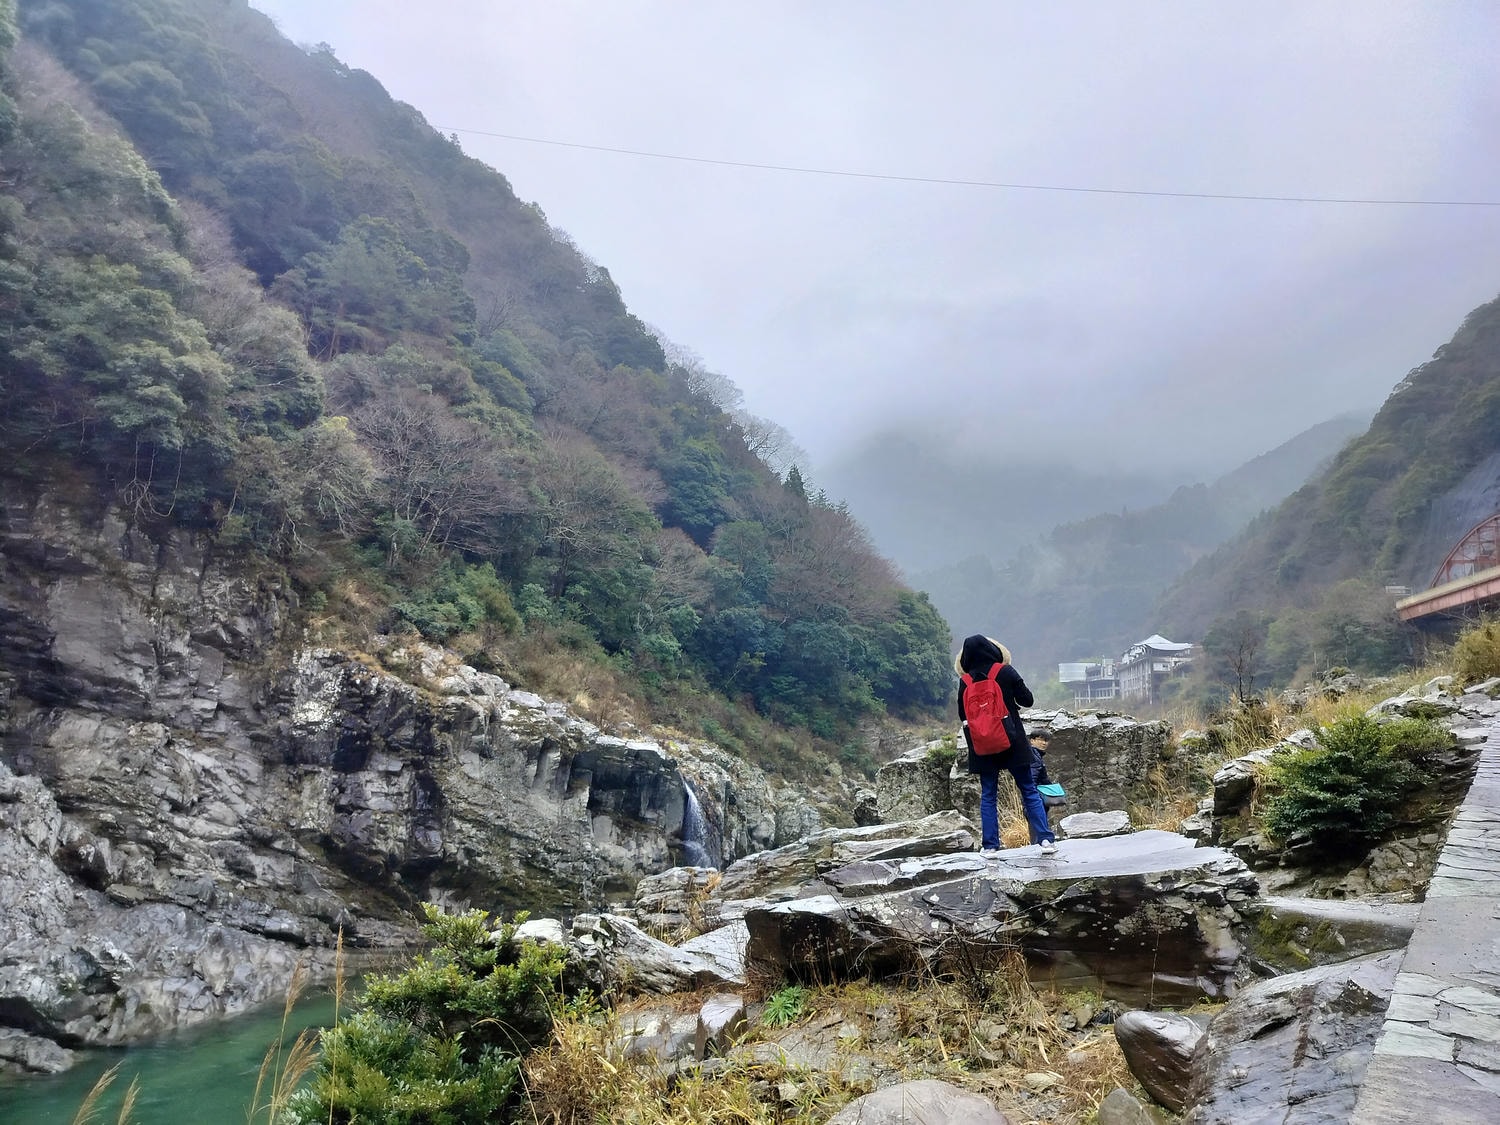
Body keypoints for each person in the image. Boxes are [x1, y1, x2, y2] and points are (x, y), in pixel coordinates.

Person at [955, 634, 1057, 856]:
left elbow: (963, 714)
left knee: (989, 794)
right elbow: (1027, 700)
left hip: (983, 745)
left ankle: (990, 846)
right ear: (992, 649)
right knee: (1029, 789)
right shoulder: (1004, 671)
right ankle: (1045, 841)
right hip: (1013, 741)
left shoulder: (965, 682)